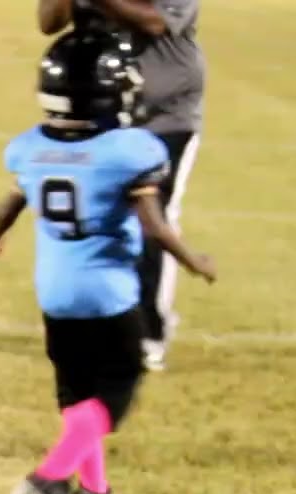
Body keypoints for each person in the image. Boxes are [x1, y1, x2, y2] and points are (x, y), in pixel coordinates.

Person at [0, 29, 215, 494]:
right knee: (118, 385)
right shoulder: (130, 149)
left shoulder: (28, 148)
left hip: (55, 294)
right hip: (107, 294)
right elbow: (154, 225)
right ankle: (49, 477)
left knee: (77, 392)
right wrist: (192, 259)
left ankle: (94, 491)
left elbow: (9, 202)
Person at [38, 0, 206, 371]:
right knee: (97, 220)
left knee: (151, 219)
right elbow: (49, 23)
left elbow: (154, 22)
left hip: (166, 117)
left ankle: (149, 331)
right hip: (99, 111)